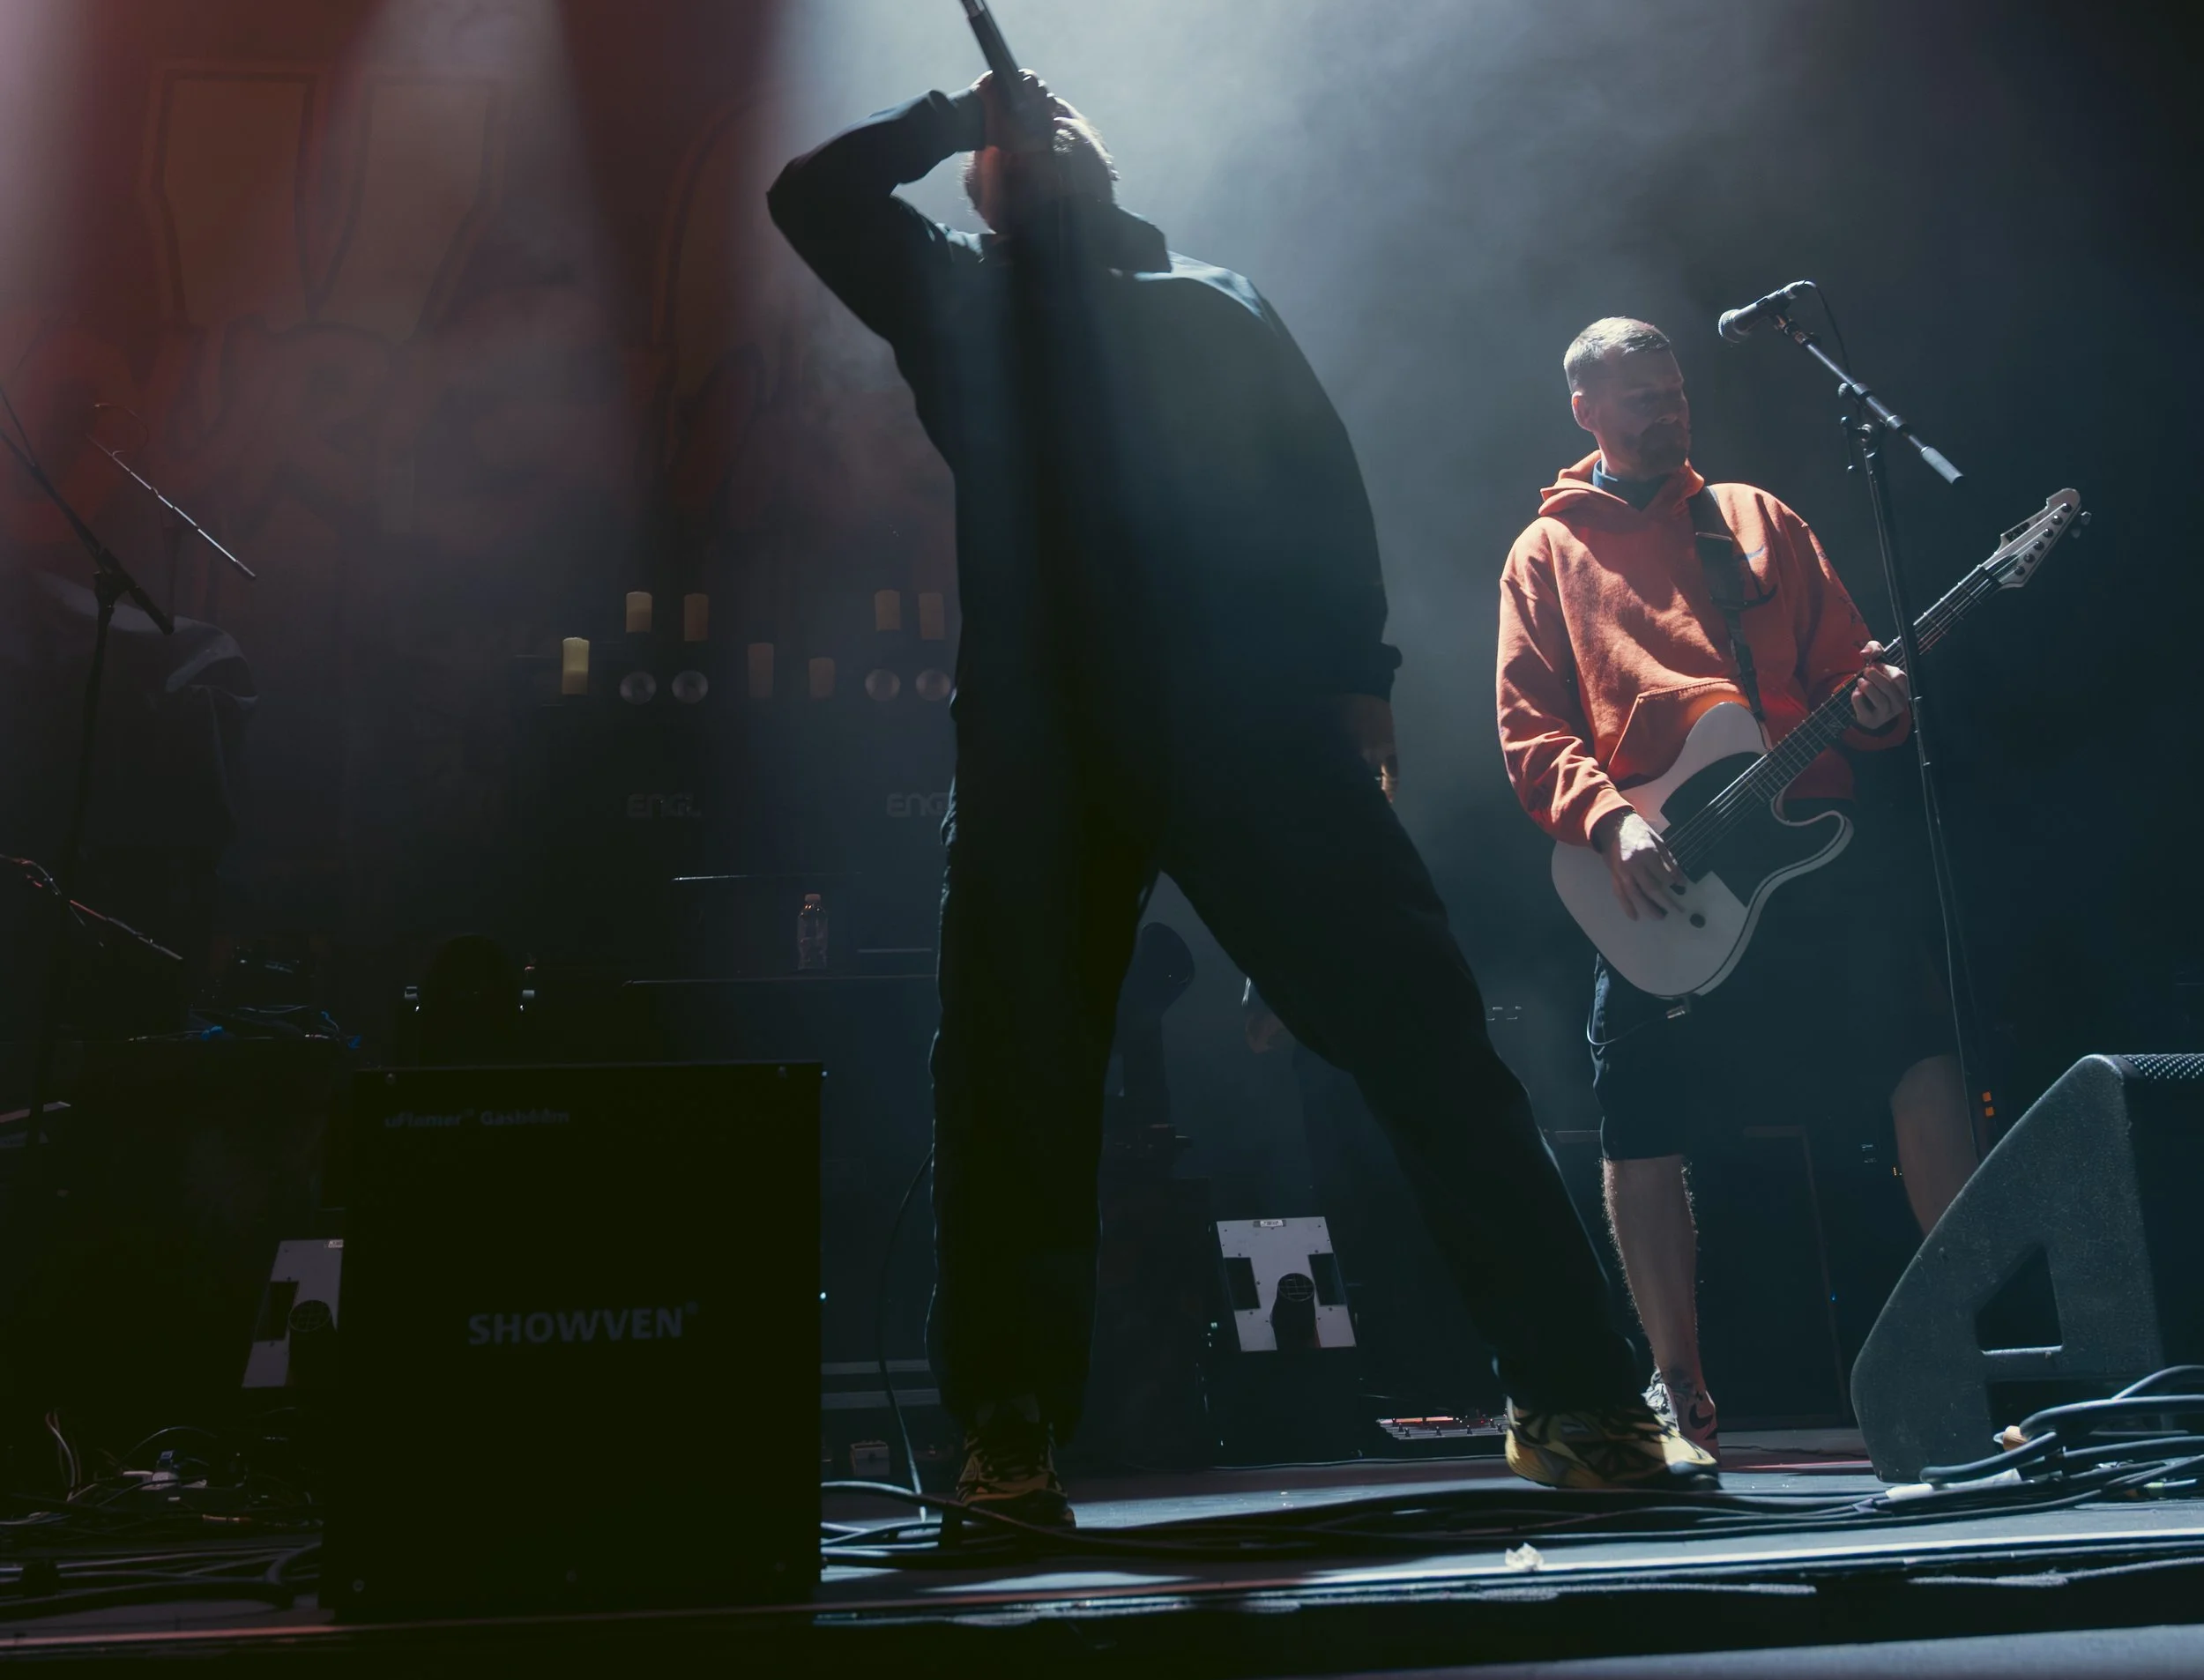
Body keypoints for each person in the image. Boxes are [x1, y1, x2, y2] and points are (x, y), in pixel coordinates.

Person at [770, 74, 1713, 1528]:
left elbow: (1317, 487)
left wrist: (1360, 679)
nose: (1039, 139)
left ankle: (1576, 1396)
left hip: (1248, 724)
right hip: (1052, 739)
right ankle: (1007, 1439)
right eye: (1012, 143)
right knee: (1014, 1084)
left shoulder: (1211, 296)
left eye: (1056, 128)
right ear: (986, 188)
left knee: (1427, 1041)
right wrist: (956, 111)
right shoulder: (962, 298)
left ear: (1100, 166)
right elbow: (811, 198)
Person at [1496, 317, 1977, 1453]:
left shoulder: (1757, 517)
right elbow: (1531, 731)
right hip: (1663, 870)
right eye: (1640, 397)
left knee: (1921, 1060)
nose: (1667, 411)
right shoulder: (1547, 551)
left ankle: (1967, 1353)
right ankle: (1678, 1390)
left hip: (1809, 847)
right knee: (1637, 1118)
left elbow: (1849, 668)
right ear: (1585, 410)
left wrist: (1878, 704)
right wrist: (1611, 821)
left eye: (1674, 392)